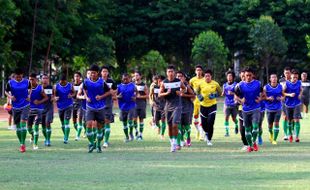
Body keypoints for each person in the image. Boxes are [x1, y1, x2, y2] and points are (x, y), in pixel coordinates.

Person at [84, 64, 111, 153]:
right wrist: (86, 97)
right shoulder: (86, 81)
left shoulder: (102, 82)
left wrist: (101, 96)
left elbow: (109, 92)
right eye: (91, 73)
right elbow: (84, 89)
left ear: (97, 73)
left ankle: (98, 144)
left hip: (100, 108)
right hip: (90, 107)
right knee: (88, 125)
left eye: (94, 73)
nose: (92, 75)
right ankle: (92, 143)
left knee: (100, 128)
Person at [159, 65, 186, 152]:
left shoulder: (178, 81)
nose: (170, 73)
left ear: (174, 72)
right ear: (167, 73)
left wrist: (181, 92)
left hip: (177, 106)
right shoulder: (164, 83)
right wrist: (166, 93)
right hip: (168, 107)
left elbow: (184, 89)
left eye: (172, 71)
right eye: (169, 72)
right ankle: (172, 143)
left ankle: (175, 143)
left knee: (175, 125)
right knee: (170, 126)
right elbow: (159, 94)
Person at [235, 67, 262, 152]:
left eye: (250, 75)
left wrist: (260, 98)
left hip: (256, 108)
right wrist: (241, 100)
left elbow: (264, 93)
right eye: (247, 75)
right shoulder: (240, 86)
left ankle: (254, 142)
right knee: (247, 130)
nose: (248, 77)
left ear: (252, 75)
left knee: (255, 128)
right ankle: (250, 145)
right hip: (245, 110)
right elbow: (235, 96)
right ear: (244, 75)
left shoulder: (258, 83)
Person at [5, 68, 31, 153]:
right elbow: (6, 91)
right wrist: (10, 97)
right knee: (18, 128)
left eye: (20, 77)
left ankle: (23, 144)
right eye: (17, 77)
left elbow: (30, 89)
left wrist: (29, 95)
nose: (18, 78)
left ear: (22, 75)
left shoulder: (27, 82)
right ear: (14, 76)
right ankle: (21, 143)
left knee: (23, 123)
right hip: (15, 107)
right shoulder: (10, 83)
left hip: (25, 105)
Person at [195, 69, 222, 146]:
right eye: (206, 76)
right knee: (204, 124)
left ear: (211, 76)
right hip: (203, 105)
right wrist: (199, 97)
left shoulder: (215, 84)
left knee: (210, 122)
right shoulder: (200, 84)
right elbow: (197, 92)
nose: (207, 77)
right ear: (204, 76)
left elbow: (220, 93)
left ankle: (209, 139)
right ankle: (206, 133)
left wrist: (214, 95)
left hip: (212, 105)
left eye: (208, 76)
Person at [27, 73, 48, 150]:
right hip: (30, 109)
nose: (31, 81)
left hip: (39, 109)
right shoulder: (27, 88)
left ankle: (35, 144)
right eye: (29, 79)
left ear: (36, 80)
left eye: (32, 79)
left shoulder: (40, 88)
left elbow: (46, 98)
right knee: (28, 128)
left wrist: (39, 102)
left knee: (36, 126)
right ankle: (32, 135)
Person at [176, 71, 195, 148]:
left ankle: (188, 138)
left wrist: (184, 95)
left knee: (186, 126)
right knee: (179, 126)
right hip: (177, 109)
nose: (179, 78)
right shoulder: (175, 86)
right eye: (177, 76)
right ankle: (179, 142)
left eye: (181, 76)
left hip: (187, 108)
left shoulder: (187, 86)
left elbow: (193, 96)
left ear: (184, 78)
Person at [283, 69, 302, 143]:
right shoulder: (286, 83)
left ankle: (297, 136)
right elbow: (283, 93)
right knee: (289, 121)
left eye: (296, 77)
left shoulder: (299, 83)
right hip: (288, 104)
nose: (294, 79)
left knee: (297, 120)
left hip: (297, 104)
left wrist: (300, 94)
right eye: (293, 77)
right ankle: (290, 134)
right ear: (290, 76)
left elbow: (301, 90)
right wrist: (289, 94)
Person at [55, 74, 75, 144]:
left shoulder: (70, 85)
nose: (61, 83)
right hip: (60, 106)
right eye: (60, 82)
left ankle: (66, 138)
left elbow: (74, 93)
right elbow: (54, 95)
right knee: (62, 123)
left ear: (66, 81)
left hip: (68, 105)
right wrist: (55, 98)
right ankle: (65, 135)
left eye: (63, 82)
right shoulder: (56, 86)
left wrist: (71, 95)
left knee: (66, 122)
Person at [263, 74, 283, 145]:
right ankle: (271, 135)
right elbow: (263, 97)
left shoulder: (280, 87)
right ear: (270, 79)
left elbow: (283, 96)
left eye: (275, 77)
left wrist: (281, 98)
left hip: (278, 108)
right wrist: (268, 98)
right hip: (269, 108)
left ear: (277, 79)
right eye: (272, 77)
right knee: (270, 125)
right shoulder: (266, 87)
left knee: (276, 123)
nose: (274, 79)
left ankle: (274, 139)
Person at [101, 66, 117, 148]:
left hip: (108, 104)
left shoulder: (111, 81)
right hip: (98, 105)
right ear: (100, 72)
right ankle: (101, 137)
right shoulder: (98, 81)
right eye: (103, 71)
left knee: (107, 121)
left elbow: (115, 90)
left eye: (106, 71)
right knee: (100, 123)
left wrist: (112, 93)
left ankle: (106, 141)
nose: (104, 73)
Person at [117, 73, 137, 142]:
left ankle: (131, 133)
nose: (125, 80)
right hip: (122, 107)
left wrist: (135, 97)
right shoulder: (119, 86)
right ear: (122, 79)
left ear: (129, 78)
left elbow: (136, 94)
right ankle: (126, 136)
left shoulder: (133, 85)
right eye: (124, 79)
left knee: (130, 121)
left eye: (127, 78)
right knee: (124, 123)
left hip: (131, 106)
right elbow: (115, 96)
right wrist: (118, 96)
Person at [131, 71, 149, 140]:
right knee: (134, 119)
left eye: (137, 75)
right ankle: (136, 131)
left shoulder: (144, 85)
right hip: (134, 104)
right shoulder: (132, 85)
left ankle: (141, 135)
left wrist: (139, 97)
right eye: (135, 75)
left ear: (140, 76)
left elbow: (147, 96)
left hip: (142, 104)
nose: (136, 77)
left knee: (141, 119)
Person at [189, 65, 205, 141]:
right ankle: (198, 131)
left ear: (202, 71)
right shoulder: (192, 80)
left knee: (202, 118)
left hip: (203, 102)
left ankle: (202, 135)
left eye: (200, 70)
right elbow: (189, 89)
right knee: (195, 120)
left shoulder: (205, 79)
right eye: (197, 70)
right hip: (195, 102)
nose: (198, 71)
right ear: (195, 71)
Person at [149, 75, 166, 139]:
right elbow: (150, 95)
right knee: (156, 121)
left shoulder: (165, 87)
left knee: (163, 120)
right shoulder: (153, 86)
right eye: (159, 80)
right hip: (156, 106)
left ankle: (162, 135)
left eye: (161, 80)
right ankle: (159, 127)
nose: (160, 81)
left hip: (164, 106)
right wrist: (151, 101)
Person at [222, 71, 238, 137]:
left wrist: (233, 93)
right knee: (226, 118)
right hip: (226, 104)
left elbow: (238, 94)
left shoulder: (236, 85)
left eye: (230, 76)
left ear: (233, 77)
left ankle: (236, 125)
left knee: (234, 119)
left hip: (234, 104)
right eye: (228, 76)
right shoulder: (224, 85)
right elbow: (223, 93)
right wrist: (222, 93)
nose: (229, 77)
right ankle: (227, 132)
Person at [41, 74, 54, 146]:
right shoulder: (39, 88)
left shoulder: (51, 87)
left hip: (49, 107)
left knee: (47, 123)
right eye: (43, 78)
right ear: (41, 80)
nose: (45, 80)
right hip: (41, 108)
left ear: (48, 80)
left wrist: (54, 98)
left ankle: (48, 140)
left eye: (46, 78)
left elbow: (54, 96)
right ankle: (46, 138)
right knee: (43, 126)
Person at [279, 67, 291, 140]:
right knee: (284, 117)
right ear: (284, 73)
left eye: (288, 73)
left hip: (292, 101)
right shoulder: (281, 81)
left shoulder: (293, 80)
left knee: (291, 118)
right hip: (283, 101)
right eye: (286, 73)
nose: (287, 74)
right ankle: (286, 134)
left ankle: (291, 131)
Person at [72, 72, 83, 141]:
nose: (76, 78)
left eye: (78, 76)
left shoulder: (82, 84)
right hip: (73, 103)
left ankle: (77, 135)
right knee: (74, 122)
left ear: (80, 77)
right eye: (75, 76)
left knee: (79, 119)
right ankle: (79, 130)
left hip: (81, 103)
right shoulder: (71, 85)